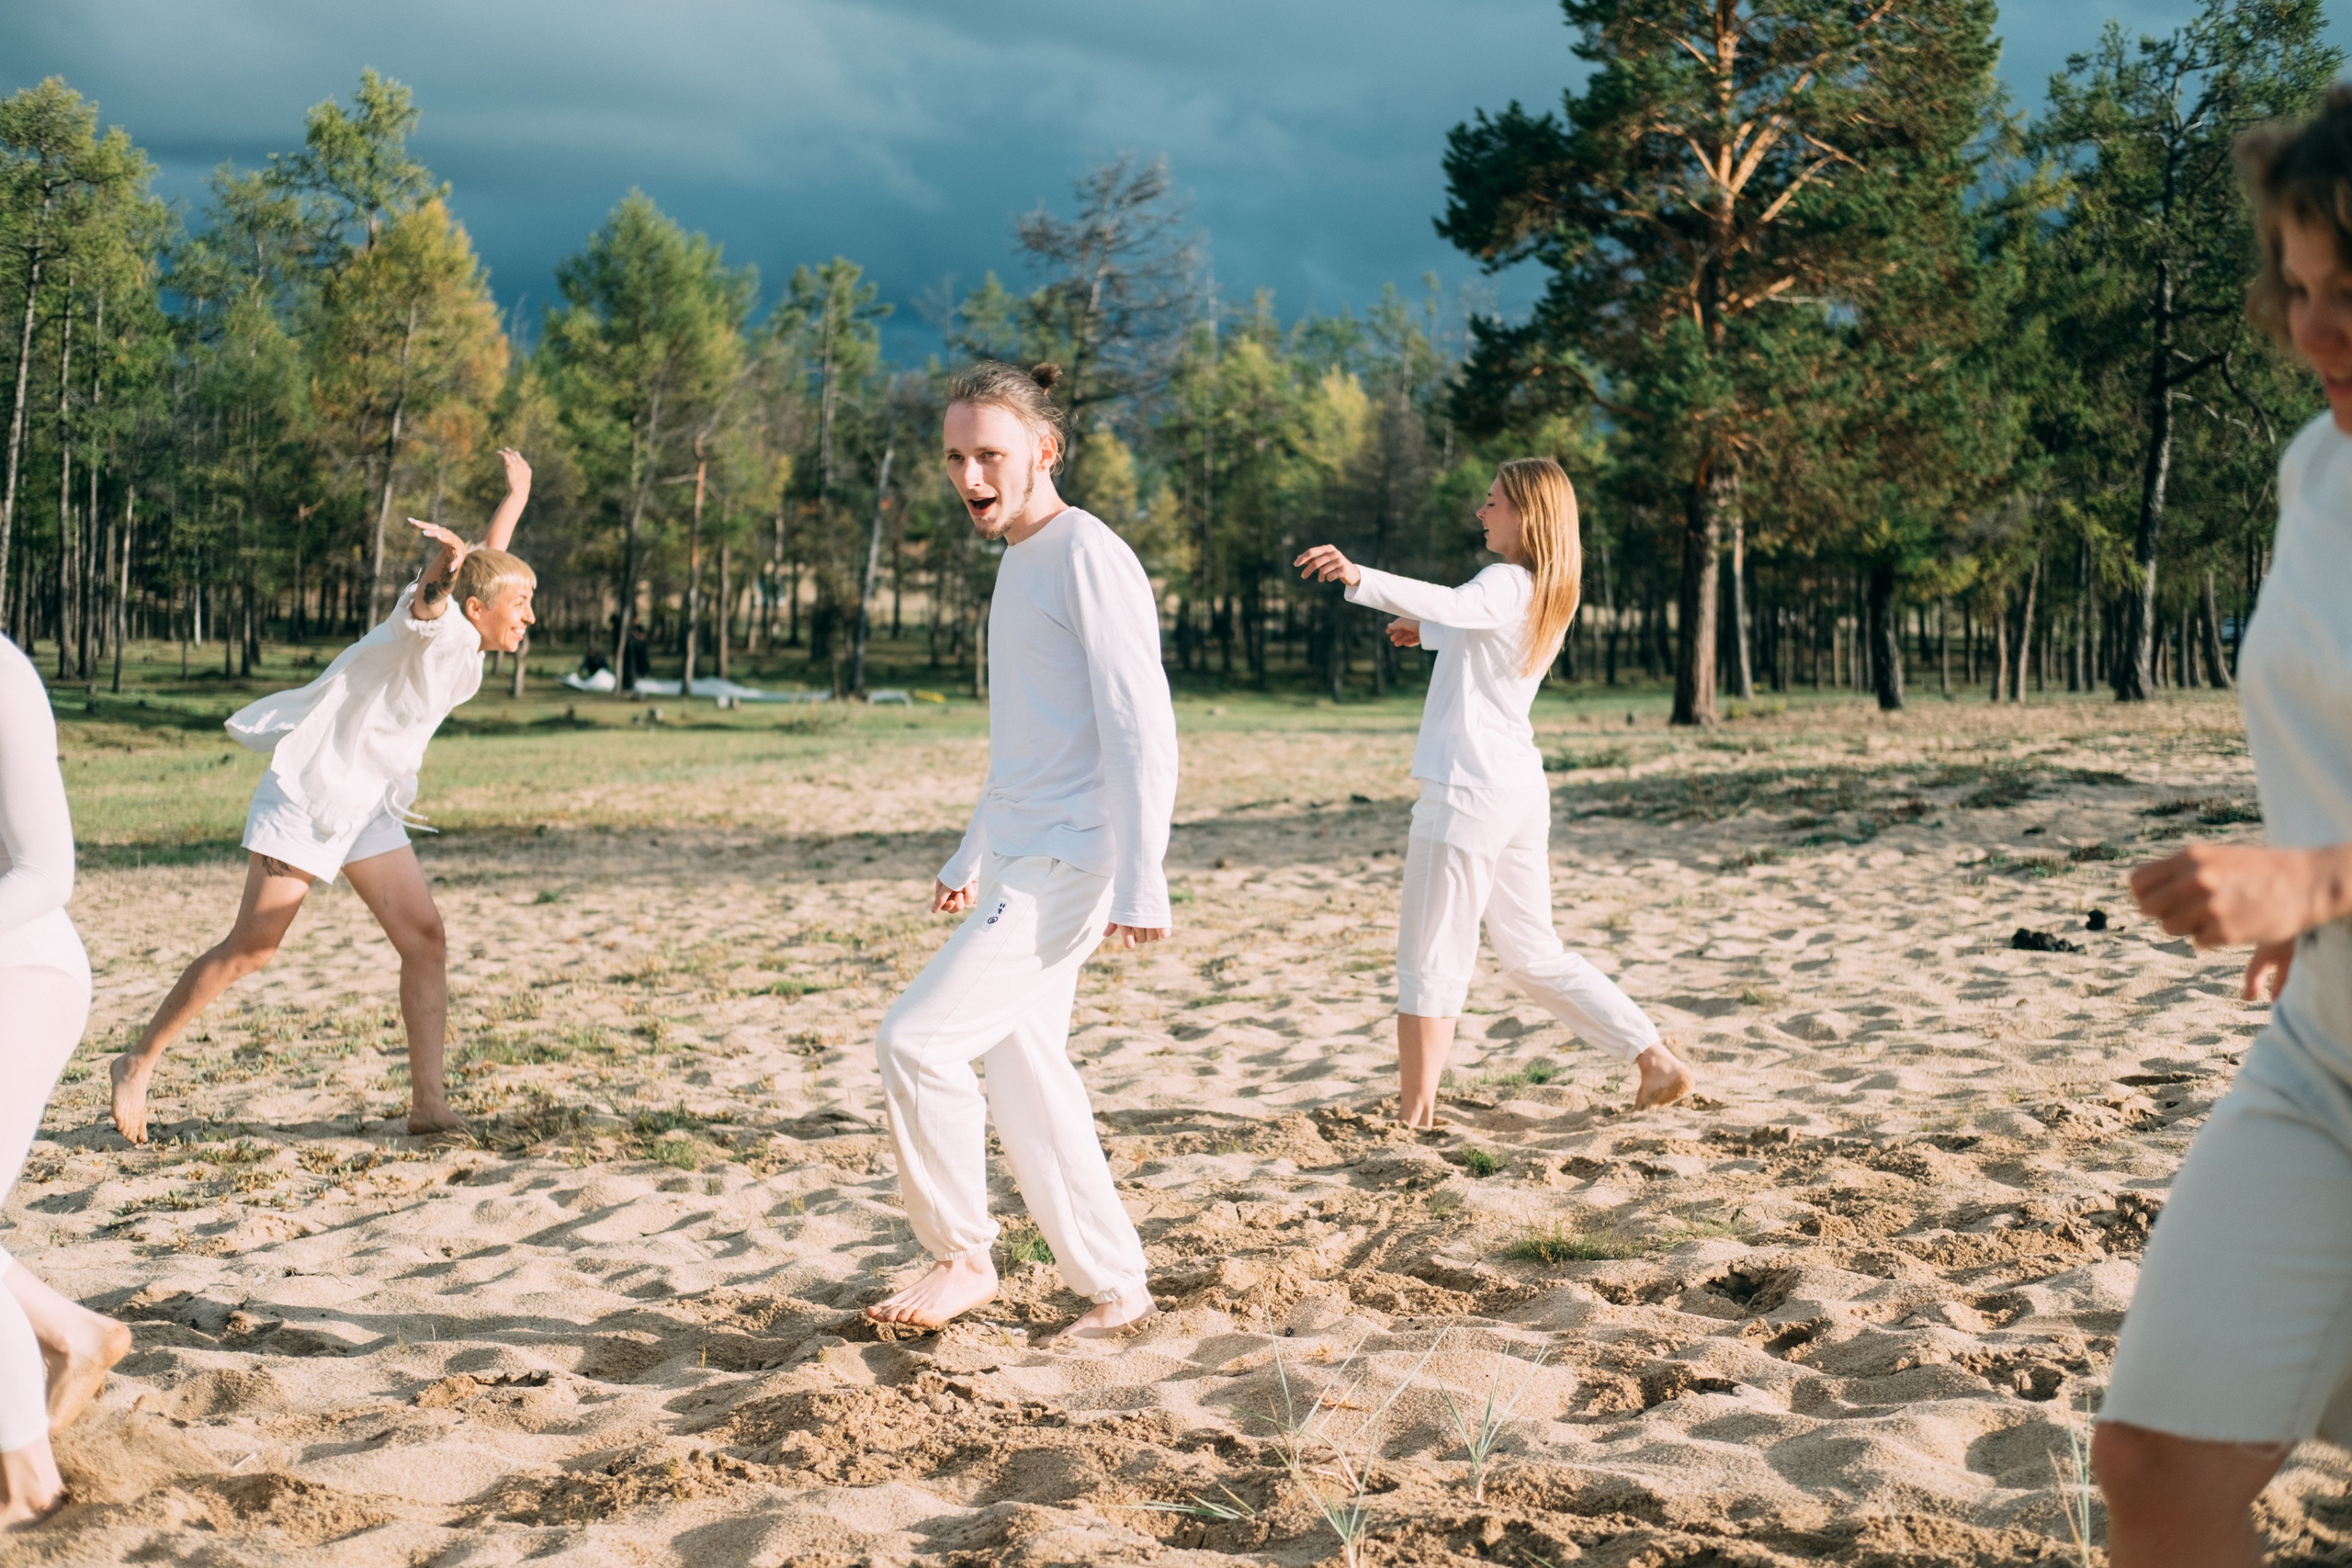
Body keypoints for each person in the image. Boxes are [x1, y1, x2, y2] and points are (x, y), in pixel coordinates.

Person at [2095, 90, 2352, 1568]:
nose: (2314, 331)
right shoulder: (2317, 471)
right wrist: (2306, 893)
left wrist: (2308, 875)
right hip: (2329, 1054)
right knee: (2159, 1463)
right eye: (2298, 286)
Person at [863, 361, 1172, 1338]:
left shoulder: (1085, 551)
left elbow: (1139, 725)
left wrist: (1145, 874)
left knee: (915, 1042)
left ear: (1044, 451)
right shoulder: (1020, 559)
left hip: (1073, 862)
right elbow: (1027, 748)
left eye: (987, 454)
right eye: (954, 457)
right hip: (1022, 856)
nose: (967, 476)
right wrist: (970, 854)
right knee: (1027, 1073)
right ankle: (1116, 1285)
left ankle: (961, 1255)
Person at [109, 450, 537, 1145]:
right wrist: (438, 574)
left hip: (368, 803)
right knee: (254, 947)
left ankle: (429, 1106)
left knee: (425, 940)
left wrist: (514, 495)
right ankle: (138, 1059)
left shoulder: (477, 622)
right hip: (312, 791)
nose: (531, 616)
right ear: (478, 607)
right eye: (523, 605)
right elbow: (432, 602)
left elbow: (494, 567)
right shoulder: (432, 628)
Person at [1295, 458, 1693, 1126]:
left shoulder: (1506, 579)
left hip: (1465, 791)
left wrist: (1361, 576)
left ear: (1527, 515)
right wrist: (1429, 633)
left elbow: (1463, 605)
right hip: (1514, 787)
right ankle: (1653, 1058)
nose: (1482, 513)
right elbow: (1474, 627)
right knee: (1534, 953)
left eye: (1493, 502)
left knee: (1429, 955)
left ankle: (1415, 1116)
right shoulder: (1544, 588)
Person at [0, 634, 131, 1526]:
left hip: (20, 970)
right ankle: (69, 1333)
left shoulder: (0, 672)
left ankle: (29, 1488)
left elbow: (48, 871)